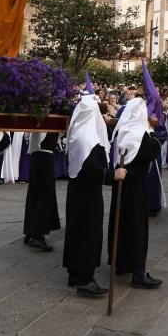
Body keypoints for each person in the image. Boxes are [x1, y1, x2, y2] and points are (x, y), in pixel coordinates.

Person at [63, 94, 123, 296]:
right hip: (88, 193)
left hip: (76, 191)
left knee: (75, 231)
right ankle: (85, 278)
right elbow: (90, 169)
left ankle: (74, 272)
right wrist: (111, 174)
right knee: (88, 232)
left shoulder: (77, 132)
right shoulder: (89, 137)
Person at [106, 97, 163, 288]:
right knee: (137, 229)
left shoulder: (122, 130)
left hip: (120, 185)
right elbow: (153, 150)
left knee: (120, 224)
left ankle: (120, 263)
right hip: (134, 187)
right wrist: (151, 129)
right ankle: (138, 272)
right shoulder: (142, 134)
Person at [23, 131, 62, 250]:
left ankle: (31, 231)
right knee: (44, 195)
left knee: (35, 194)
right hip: (43, 155)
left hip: (39, 155)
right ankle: (37, 236)